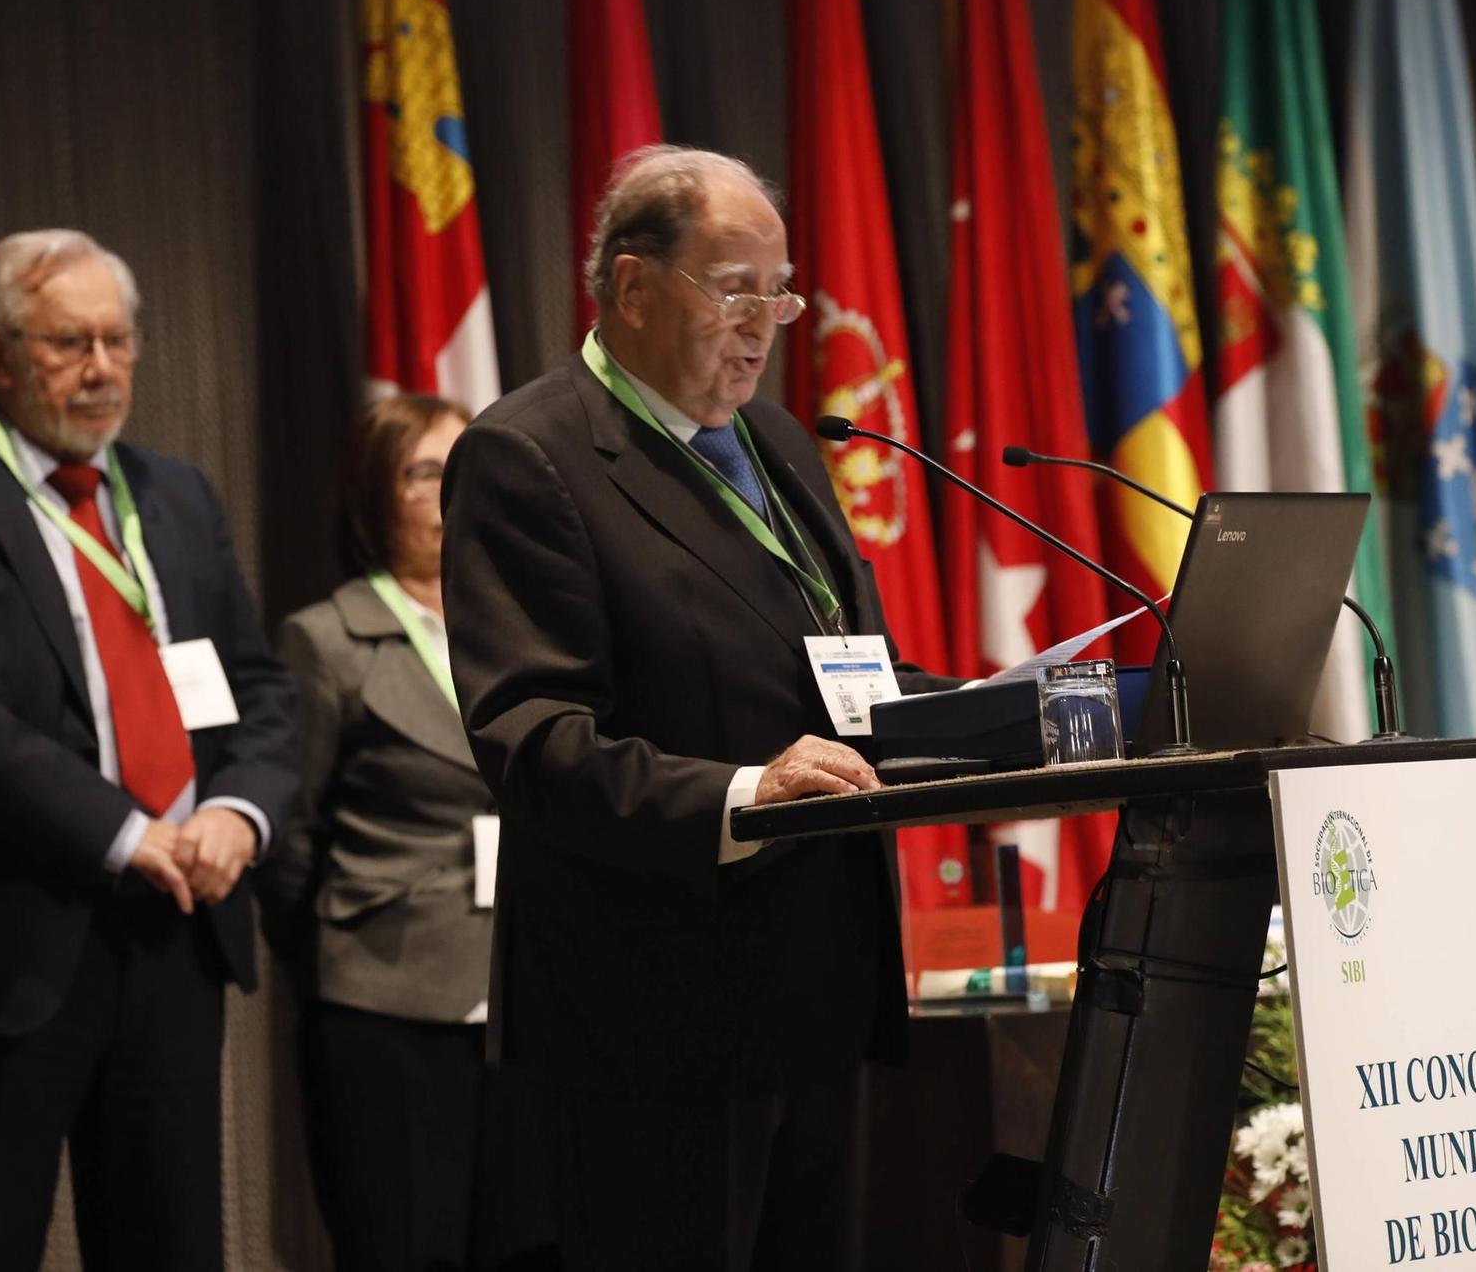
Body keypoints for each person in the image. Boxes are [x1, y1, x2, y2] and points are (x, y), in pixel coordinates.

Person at [440, 145, 961, 1270]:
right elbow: (534, 741)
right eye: (734, 287)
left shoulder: (776, 442)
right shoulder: (527, 457)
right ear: (630, 287)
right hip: (652, 1023)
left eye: (779, 288)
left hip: (814, 992)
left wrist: (1010, 715)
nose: (766, 319)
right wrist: (746, 795)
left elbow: (845, 680)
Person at [0, 229, 296, 1269]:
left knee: (169, 1240)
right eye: (66, 343)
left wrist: (239, 811)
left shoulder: (176, 494)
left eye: (116, 339)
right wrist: (123, 829)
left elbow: (258, 687)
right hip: (1, 944)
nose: (100, 368)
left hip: (175, 932)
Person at [259, 394, 555, 1272]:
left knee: (536, 1246)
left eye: (465, 464)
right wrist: (335, 967)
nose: (451, 487)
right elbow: (288, 842)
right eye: (426, 470)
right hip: (385, 1004)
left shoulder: (530, 634)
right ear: (375, 494)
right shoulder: (327, 640)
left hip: (528, 993)